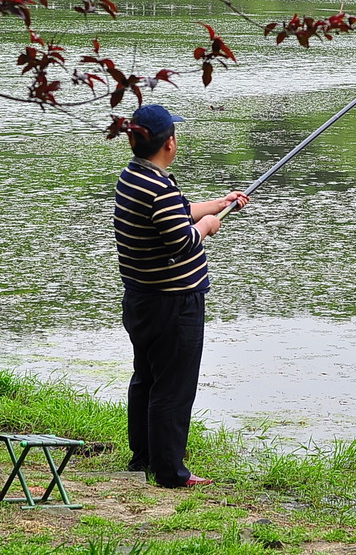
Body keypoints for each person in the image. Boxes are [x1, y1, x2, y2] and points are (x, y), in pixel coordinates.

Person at [115, 104, 249, 488]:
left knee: (147, 378)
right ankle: (170, 472)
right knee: (173, 387)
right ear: (169, 143)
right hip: (173, 303)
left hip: (142, 299)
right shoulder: (158, 186)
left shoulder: (135, 177)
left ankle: (143, 458)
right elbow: (181, 242)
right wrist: (208, 226)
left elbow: (177, 213)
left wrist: (221, 204)